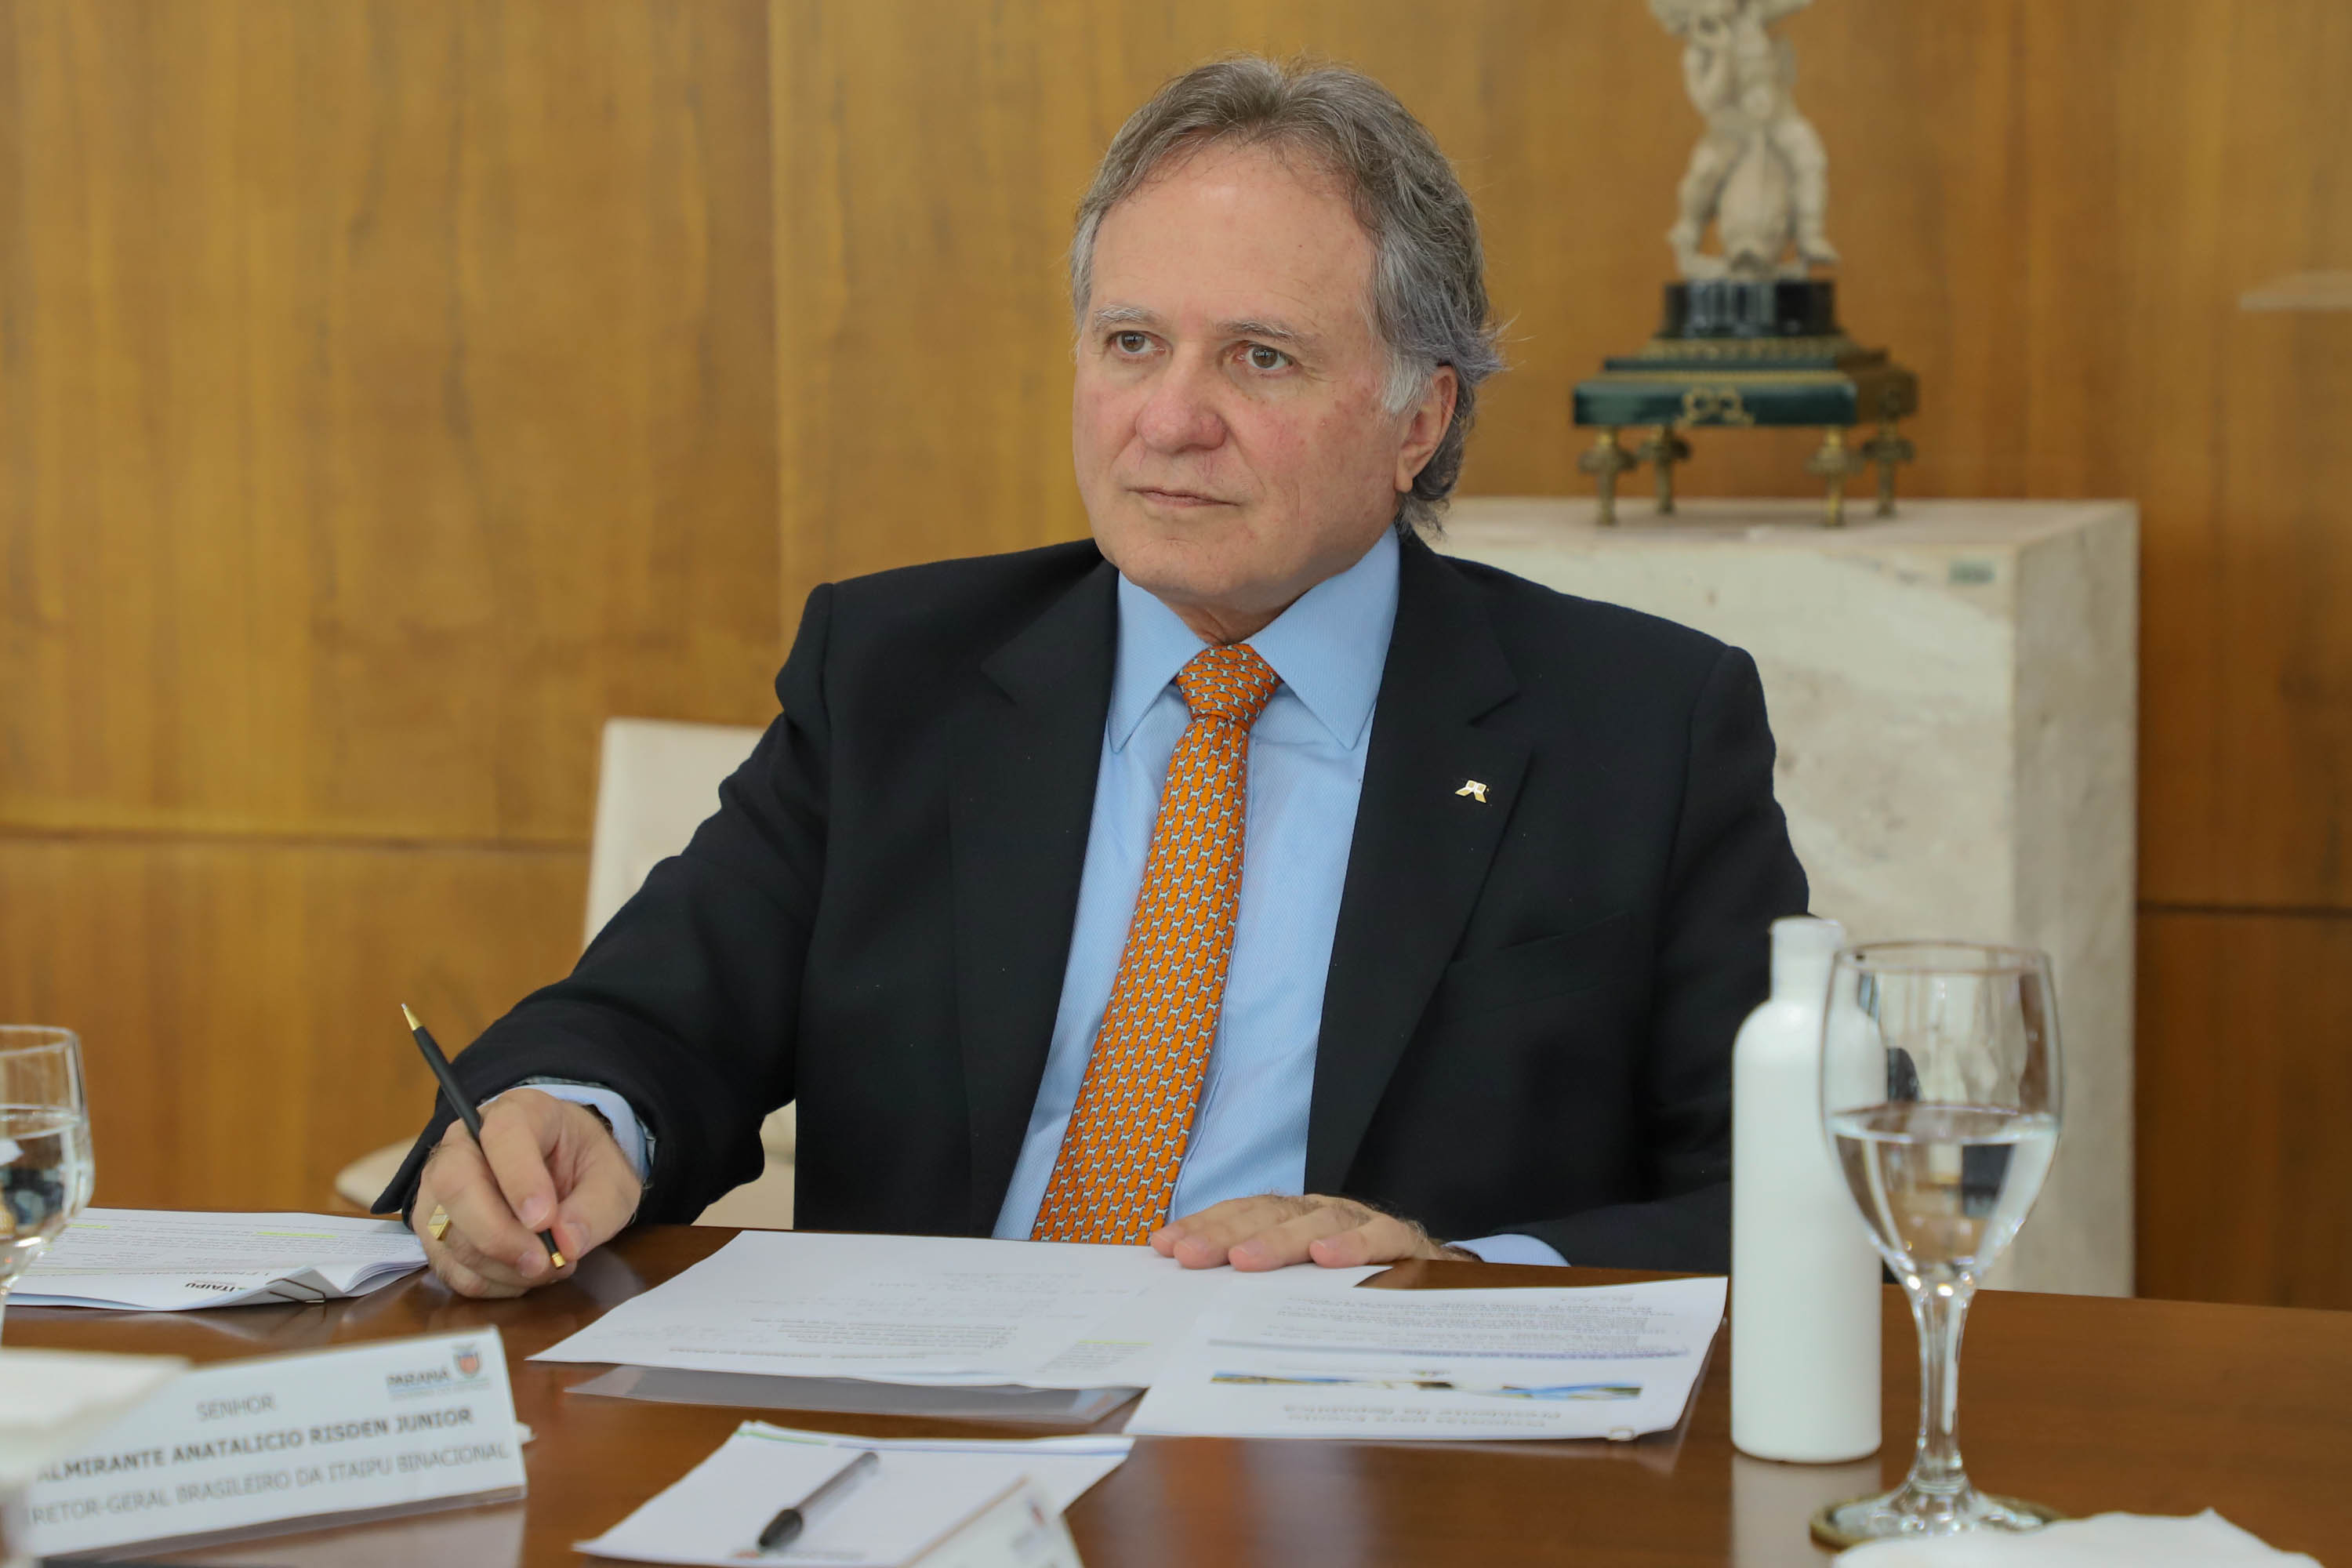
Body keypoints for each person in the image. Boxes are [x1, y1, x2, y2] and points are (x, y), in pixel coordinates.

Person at [379, 54, 1809, 1299]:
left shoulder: (1642, 730)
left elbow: (1786, 1196)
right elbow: (647, 1019)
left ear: (1419, 419)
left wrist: (1451, 1281)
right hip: (919, 1448)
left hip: (1362, 1467)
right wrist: (567, 1120)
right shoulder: (895, 676)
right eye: (1132, 343)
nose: (1171, 420)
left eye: (1260, 358)